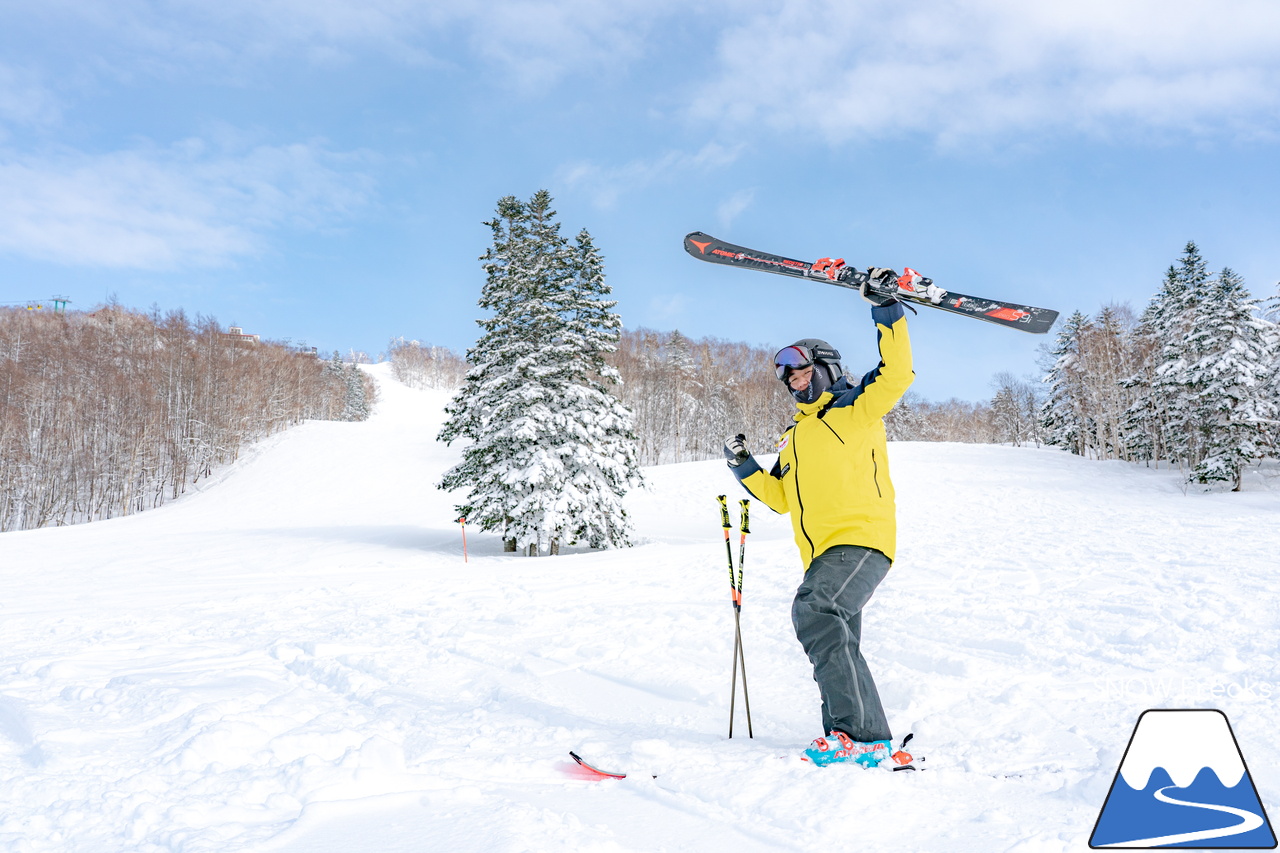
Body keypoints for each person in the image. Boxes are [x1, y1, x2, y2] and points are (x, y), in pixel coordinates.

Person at [722, 268, 926, 768]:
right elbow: (781, 498)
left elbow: (897, 373)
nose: (797, 383)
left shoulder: (856, 408)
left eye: (804, 372)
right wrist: (742, 466)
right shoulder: (795, 437)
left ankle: (861, 734)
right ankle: (854, 737)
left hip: (861, 540)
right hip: (821, 555)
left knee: (814, 612)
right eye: (791, 378)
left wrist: (886, 309)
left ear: (828, 370)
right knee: (836, 635)